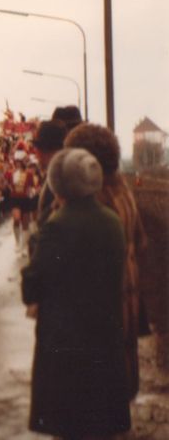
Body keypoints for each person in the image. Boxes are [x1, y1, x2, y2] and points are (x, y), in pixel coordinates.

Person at [22, 148, 130, 438]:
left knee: (70, 427)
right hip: (105, 340)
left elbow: (31, 286)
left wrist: (31, 252)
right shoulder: (112, 222)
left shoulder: (56, 226)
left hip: (66, 348)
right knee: (101, 425)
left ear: (61, 185)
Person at [65, 122, 146, 400]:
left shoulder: (93, 200)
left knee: (95, 393)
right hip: (126, 298)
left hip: (101, 307)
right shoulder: (124, 193)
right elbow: (141, 242)